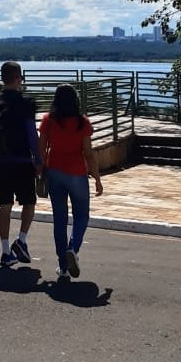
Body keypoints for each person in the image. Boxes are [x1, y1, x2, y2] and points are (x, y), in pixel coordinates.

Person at [38, 83, 103, 280]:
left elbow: (41, 149)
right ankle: (73, 249)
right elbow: (89, 153)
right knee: (81, 216)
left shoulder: (48, 120)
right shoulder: (82, 122)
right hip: (77, 173)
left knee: (60, 219)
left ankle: (63, 266)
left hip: (55, 172)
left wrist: (40, 170)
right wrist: (97, 178)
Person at [0, 61, 41, 267]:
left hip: (0, 162)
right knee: (29, 203)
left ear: (2, 78)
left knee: (4, 206)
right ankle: (22, 241)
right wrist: (39, 160)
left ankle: (6, 251)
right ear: (18, 78)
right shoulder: (26, 103)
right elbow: (32, 134)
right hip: (22, 161)